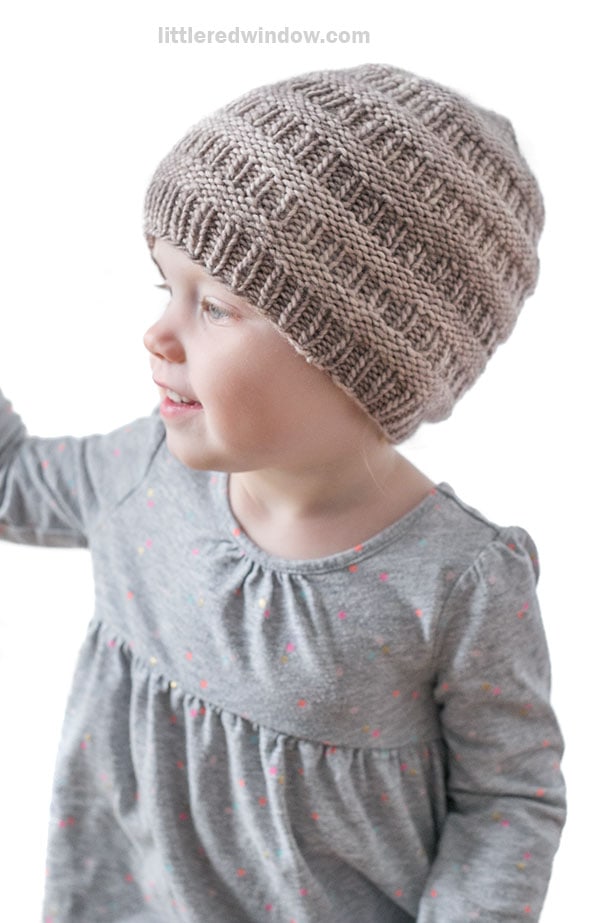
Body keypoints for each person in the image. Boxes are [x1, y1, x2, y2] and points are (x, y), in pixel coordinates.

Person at [0, 63, 565, 923]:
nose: (157, 333)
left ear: (364, 361)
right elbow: (12, 482)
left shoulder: (456, 580)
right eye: (166, 286)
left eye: (215, 305)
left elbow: (508, 798)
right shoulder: (142, 475)